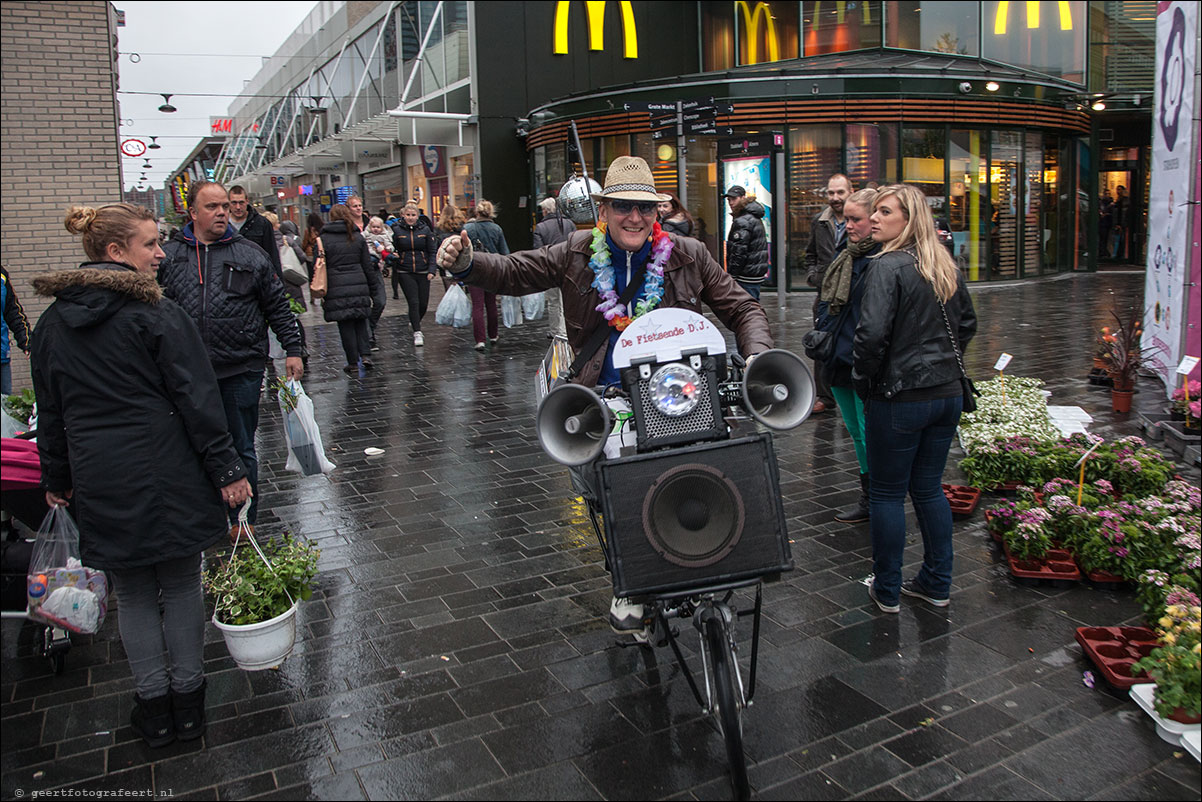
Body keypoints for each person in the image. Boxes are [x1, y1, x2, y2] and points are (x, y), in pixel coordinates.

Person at [436, 155, 773, 635]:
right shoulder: (575, 250)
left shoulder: (689, 253)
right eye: (622, 207)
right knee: (607, 484)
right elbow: (516, 272)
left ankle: (714, 556)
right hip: (606, 391)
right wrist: (469, 263)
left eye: (644, 207)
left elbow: (743, 307)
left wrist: (757, 355)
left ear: (656, 211)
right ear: (604, 210)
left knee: (712, 467)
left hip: (683, 390)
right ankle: (629, 576)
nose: (634, 217)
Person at [30, 203, 251, 747]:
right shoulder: (157, 313)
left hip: (100, 475)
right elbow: (198, 399)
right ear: (115, 251)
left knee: (131, 593)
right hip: (169, 467)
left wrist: (56, 475)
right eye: (150, 244)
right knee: (178, 583)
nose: (160, 254)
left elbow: (50, 410)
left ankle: (153, 708)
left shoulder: (52, 323)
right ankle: (189, 705)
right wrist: (227, 468)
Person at [853, 184, 977, 614]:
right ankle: (936, 582)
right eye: (875, 211)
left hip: (900, 396)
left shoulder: (887, 266)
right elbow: (967, 324)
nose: (874, 219)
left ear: (909, 219)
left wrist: (865, 378)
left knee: (888, 495)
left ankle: (887, 588)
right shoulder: (942, 262)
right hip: (946, 394)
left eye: (884, 212)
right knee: (928, 489)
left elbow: (870, 335)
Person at [157, 181, 303, 531]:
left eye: (225, 205)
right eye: (212, 207)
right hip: (186, 373)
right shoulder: (169, 256)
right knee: (194, 446)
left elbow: (277, 306)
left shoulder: (249, 253)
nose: (222, 212)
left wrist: (293, 349)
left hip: (241, 367)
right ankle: (207, 516)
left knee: (241, 446)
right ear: (192, 213)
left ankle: (243, 519)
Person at [814, 188, 879, 525]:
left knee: (869, 433)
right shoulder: (847, 252)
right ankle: (869, 495)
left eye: (856, 219)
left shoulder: (881, 261)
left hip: (861, 362)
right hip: (837, 359)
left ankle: (878, 498)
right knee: (855, 432)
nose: (848, 225)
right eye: (847, 219)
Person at [805, 174, 854, 416]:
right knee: (821, 342)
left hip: (851, 292)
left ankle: (853, 393)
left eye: (840, 192)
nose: (835, 198)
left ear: (850, 192)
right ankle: (825, 395)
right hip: (824, 292)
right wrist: (814, 275)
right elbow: (811, 253)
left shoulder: (859, 219)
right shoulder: (820, 221)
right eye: (831, 193)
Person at [321, 204, 381, 372]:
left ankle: (353, 361)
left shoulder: (324, 238)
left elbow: (320, 266)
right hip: (358, 283)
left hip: (336, 286)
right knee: (361, 320)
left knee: (345, 325)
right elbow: (367, 265)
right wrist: (373, 288)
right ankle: (366, 355)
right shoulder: (357, 236)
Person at [389, 201, 438, 346]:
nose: (410, 217)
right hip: (405, 270)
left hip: (423, 270)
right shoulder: (397, 230)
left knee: (423, 303)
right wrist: (393, 256)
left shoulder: (425, 230)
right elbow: (392, 247)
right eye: (408, 215)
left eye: (413, 215)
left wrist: (432, 269)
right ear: (403, 215)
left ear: (418, 216)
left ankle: (415, 319)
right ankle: (417, 331)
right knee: (413, 301)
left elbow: (432, 251)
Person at [462, 200, 509, 350]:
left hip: (474, 268)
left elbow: (462, 251)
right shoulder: (497, 229)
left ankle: (480, 340)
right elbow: (504, 252)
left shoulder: (468, 228)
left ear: (477, 212)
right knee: (491, 303)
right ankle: (493, 335)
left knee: (477, 305)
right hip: (492, 268)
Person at [227, 185, 283, 282]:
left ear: (247, 201)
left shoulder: (262, 224)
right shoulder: (222, 224)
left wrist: (278, 283)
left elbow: (272, 255)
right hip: (230, 280)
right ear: (228, 203)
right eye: (234, 203)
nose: (238, 207)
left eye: (241, 203)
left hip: (256, 280)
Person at [723, 185, 769, 300]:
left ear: (743, 198)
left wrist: (732, 274)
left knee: (747, 309)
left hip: (746, 274)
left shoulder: (743, 220)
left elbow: (739, 251)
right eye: (729, 200)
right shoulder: (752, 217)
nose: (731, 203)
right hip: (753, 272)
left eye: (734, 199)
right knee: (751, 306)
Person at [362, 216, 393, 348]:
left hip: (376, 268)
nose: (358, 208)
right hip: (362, 269)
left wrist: (387, 250)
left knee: (380, 301)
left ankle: (370, 326)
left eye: (359, 206)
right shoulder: (364, 234)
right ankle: (368, 336)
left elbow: (389, 246)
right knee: (364, 304)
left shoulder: (385, 235)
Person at [1, 265, 31, 395]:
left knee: (5, 408)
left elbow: (13, 311)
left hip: (1, 357)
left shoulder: (2, 275)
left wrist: (26, 341)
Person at [434, 204, 467, 291]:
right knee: (460, 288)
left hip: (445, 263)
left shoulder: (438, 228)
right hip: (460, 262)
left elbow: (436, 247)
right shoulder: (461, 227)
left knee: (449, 289)